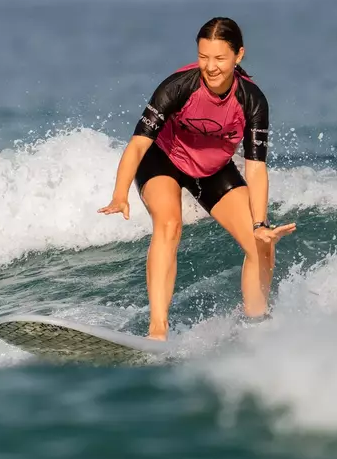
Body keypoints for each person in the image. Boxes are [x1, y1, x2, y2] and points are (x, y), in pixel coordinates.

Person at [98, 17, 295, 340]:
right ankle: (158, 330)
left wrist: (260, 224)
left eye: (219, 58)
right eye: (204, 57)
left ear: (238, 56)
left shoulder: (251, 100)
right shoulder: (179, 86)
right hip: (163, 160)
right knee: (169, 224)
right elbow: (137, 146)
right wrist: (120, 194)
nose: (211, 66)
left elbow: (256, 168)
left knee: (261, 245)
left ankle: (256, 326)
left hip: (213, 169)